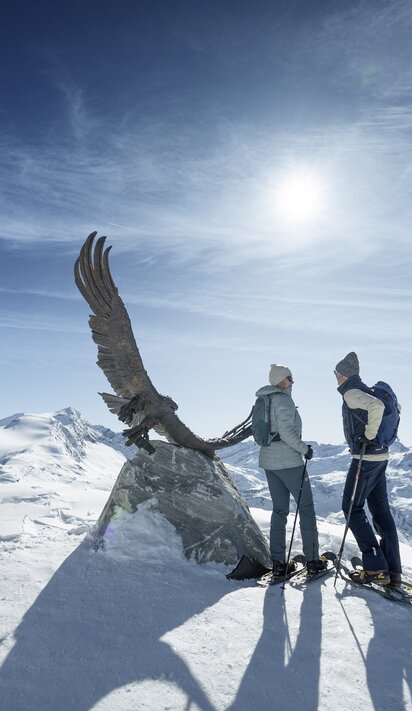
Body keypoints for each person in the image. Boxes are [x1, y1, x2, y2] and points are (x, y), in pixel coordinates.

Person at [334, 351, 402, 585]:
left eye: (336, 373)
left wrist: (368, 435)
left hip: (365, 459)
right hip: (380, 458)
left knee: (351, 508)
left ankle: (375, 567)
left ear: (343, 374)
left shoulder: (352, 393)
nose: (335, 377)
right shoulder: (363, 389)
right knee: (381, 511)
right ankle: (393, 571)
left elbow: (377, 407)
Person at [256, 363, 327, 577]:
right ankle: (313, 561)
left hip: (268, 461)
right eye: (289, 378)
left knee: (279, 510)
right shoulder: (283, 400)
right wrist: (305, 449)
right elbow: (287, 433)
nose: (292, 382)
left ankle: (278, 562)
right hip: (289, 462)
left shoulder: (264, 399)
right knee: (305, 508)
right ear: (280, 380)